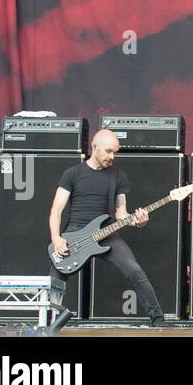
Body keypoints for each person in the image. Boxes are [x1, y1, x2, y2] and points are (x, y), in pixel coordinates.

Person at [48, 128, 166, 326]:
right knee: (55, 281)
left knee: (135, 271)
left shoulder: (118, 175)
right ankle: (47, 324)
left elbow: (121, 213)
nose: (112, 157)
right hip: (75, 233)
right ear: (94, 147)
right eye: (108, 151)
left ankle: (159, 322)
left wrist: (138, 221)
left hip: (107, 232)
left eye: (115, 153)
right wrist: (56, 238)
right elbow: (56, 209)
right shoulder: (72, 174)